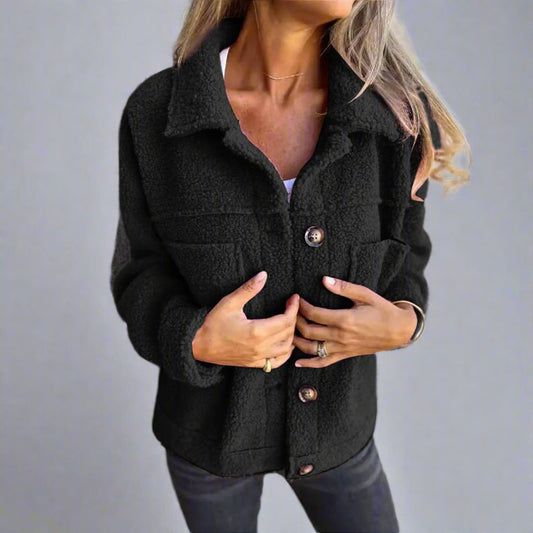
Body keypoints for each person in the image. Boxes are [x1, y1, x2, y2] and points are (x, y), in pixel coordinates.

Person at [110, 1, 470, 531]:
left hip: (339, 430)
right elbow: (140, 272)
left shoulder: (394, 117)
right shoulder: (158, 114)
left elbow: (407, 252)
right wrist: (195, 339)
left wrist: (405, 320)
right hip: (207, 439)